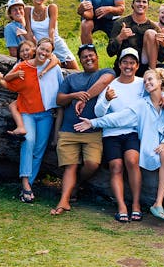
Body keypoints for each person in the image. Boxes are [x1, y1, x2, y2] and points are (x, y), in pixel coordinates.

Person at [76, 69, 164, 228]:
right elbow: (119, 117)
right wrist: (93, 122)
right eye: (145, 81)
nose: (147, 83)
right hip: (150, 148)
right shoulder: (141, 105)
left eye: (151, 79)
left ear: (160, 82)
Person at [49, 44, 115, 215]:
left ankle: (76, 183)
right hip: (69, 130)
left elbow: (104, 82)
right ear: (80, 60)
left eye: (91, 55)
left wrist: (84, 98)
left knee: (92, 164)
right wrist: (73, 96)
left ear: (97, 57)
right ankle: (64, 201)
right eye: (84, 57)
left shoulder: (105, 72)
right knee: (70, 166)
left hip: (92, 131)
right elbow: (59, 100)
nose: (88, 58)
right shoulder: (72, 79)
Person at [1, 38, 63, 202]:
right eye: (41, 49)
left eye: (47, 51)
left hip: (46, 114)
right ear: (36, 48)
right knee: (28, 141)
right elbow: (9, 83)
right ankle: (26, 184)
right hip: (27, 112)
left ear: (51, 53)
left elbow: (60, 89)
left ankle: (28, 184)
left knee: (39, 150)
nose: (43, 53)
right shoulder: (23, 66)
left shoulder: (54, 68)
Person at [107, 0, 162, 76]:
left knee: (151, 33)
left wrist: (163, 43)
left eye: (144, 2)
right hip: (124, 65)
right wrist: (120, 37)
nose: (141, 4)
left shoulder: (154, 27)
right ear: (132, 4)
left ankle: (152, 74)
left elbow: (162, 57)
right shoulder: (120, 23)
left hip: (144, 66)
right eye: (138, 1)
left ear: (148, 6)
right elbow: (110, 52)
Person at [25, 0, 78, 69]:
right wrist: (37, 49)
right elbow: (29, 33)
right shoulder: (27, 10)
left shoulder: (51, 8)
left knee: (74, 69)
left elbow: (51, 30)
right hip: (40, 48)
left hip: (55, 44)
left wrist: (50, 48)